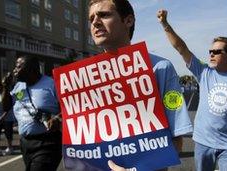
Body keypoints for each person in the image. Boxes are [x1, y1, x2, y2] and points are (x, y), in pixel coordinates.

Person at [65, 0, 193, 170]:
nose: (95, 22)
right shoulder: (82, 78)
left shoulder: (160, 68)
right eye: (91, 18)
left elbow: (177, 140)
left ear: (128, 21)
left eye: (104, 15)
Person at [157, 9, 227, 171]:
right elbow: (181, 48)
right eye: (210, 51)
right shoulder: (204, 72)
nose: (211, 54)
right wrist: (165, 24)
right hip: (203, 142)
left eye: (217, 52)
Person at [2, 55, 62, 171]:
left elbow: (68, 108)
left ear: (31, 70)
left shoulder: (52, 84)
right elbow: (6, 107)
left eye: (18, 67)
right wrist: (5, 87)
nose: (14, 70)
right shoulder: (18, 86)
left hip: (48, 142)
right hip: (25, 143)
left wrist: (57, 118)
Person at [0, 80, 15, 158]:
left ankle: (10, 148)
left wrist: (3, 116)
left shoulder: (7, 94)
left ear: (0, 87)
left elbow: (9, 107)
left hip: (7, 118)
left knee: (8, 133)